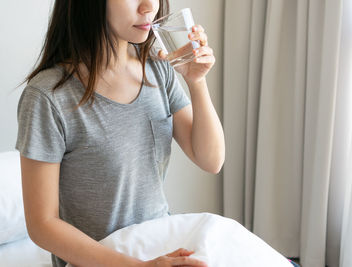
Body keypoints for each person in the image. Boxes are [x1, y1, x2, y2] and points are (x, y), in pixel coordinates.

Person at [15, 0, 225, 266]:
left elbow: (211, 160)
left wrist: (196, 81)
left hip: (158, 242)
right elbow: (42, 225)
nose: (150, 6)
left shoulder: (157, 70)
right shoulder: (48, 97)